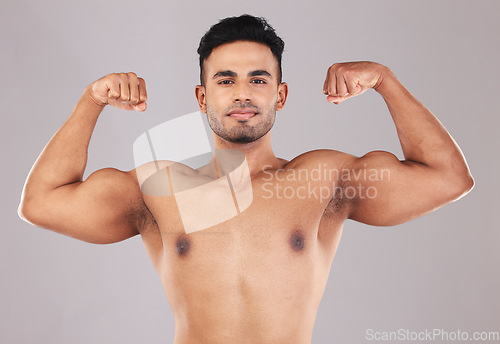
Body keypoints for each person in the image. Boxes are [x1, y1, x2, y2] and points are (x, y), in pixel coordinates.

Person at [18, 14, 474, 344]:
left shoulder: (322, 180)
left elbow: (447, 178)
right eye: (225, 80)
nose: (242, 93)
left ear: (281, 94)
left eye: (258, 80)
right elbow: (41, 203)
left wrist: (386, 82)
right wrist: (90, 100)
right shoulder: (159, 189)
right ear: (202, 96)